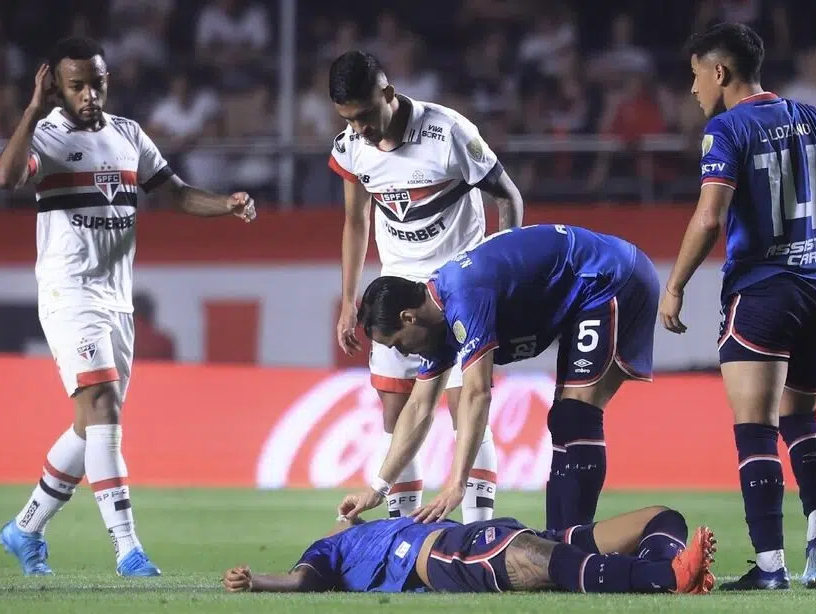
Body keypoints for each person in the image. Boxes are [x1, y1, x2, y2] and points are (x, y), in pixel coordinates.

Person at [0, 37, 257, 577]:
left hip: (117, 300)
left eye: (97, 83)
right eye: (77, 85)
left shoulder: (128, 134)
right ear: (56, 88)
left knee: (90, 428)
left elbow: (176, 192)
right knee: (105, 409)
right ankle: (128, 549)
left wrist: (225, 205)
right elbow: (6, 177)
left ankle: (25, 528)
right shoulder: (46, 133)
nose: (89, 94)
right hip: (70, 294)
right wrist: (30, 110)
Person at [658, 23, 816, 590]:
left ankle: (772, 567)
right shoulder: (814, 118)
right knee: (800, 417)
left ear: (720, 71)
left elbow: (710, 217)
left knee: (754, 428)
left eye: (695, 75)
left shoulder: (727, 130)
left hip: (763, 290)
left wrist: (676, 283)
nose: (693, 89)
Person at [338, 224, 660, 531]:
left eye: (397, 344)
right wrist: (377, 489)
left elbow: (477, 393)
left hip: (611, 278)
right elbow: (419, 406)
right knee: (564, 419)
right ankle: (562, 540)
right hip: (587, 292)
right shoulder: (439, 318)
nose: (404, 354)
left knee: (577, 416)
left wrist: (456, 484)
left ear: (408, 318)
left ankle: (574, 545)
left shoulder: (464, 295)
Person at [328, 50, 524, 522]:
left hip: (456, 295)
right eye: (350, 120)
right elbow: (356, 221)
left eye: (366, 117)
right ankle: (400, 535)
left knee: (465, 414)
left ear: (388, 94)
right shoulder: (350, 147)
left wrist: (500, 275)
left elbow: (508, 196)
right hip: (395, 299)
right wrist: (349, 298)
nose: (361, 130)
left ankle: (480, 532)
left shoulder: (448, 133)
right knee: (396, 416)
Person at [222, 506, 716, 595]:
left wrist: (358, 512)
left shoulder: (366, 526)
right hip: (440, 556)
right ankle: (664, 577)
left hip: (487, 533)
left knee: (659, 518)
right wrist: (257, 580)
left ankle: (665, 566)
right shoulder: (327, 551)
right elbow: (301, 580)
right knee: (530, 558)